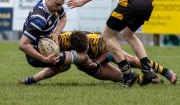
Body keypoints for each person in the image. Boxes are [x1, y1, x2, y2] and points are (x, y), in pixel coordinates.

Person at [21, 31, 177, 85]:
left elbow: (111, 48)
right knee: (118, 77)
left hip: (104, 54)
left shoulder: (96, 42)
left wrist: (97, 61)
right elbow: (53, 68)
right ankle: (146, 80)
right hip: (88, 65)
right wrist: (31, 79)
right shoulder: (60, 42)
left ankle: (166, 72)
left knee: (133, 60)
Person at [19, 0, 89, 84]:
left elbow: (63, 18)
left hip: (47, 41)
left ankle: (29, 81)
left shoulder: (52, 4)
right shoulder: (39, 19)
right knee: (79, 59)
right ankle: (94, 61)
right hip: (35, 54)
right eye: (57, 4)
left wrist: (56, 33)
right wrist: (44, 59)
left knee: (78, 41)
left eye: (61, 5)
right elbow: (23, 45)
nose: (59, 8)